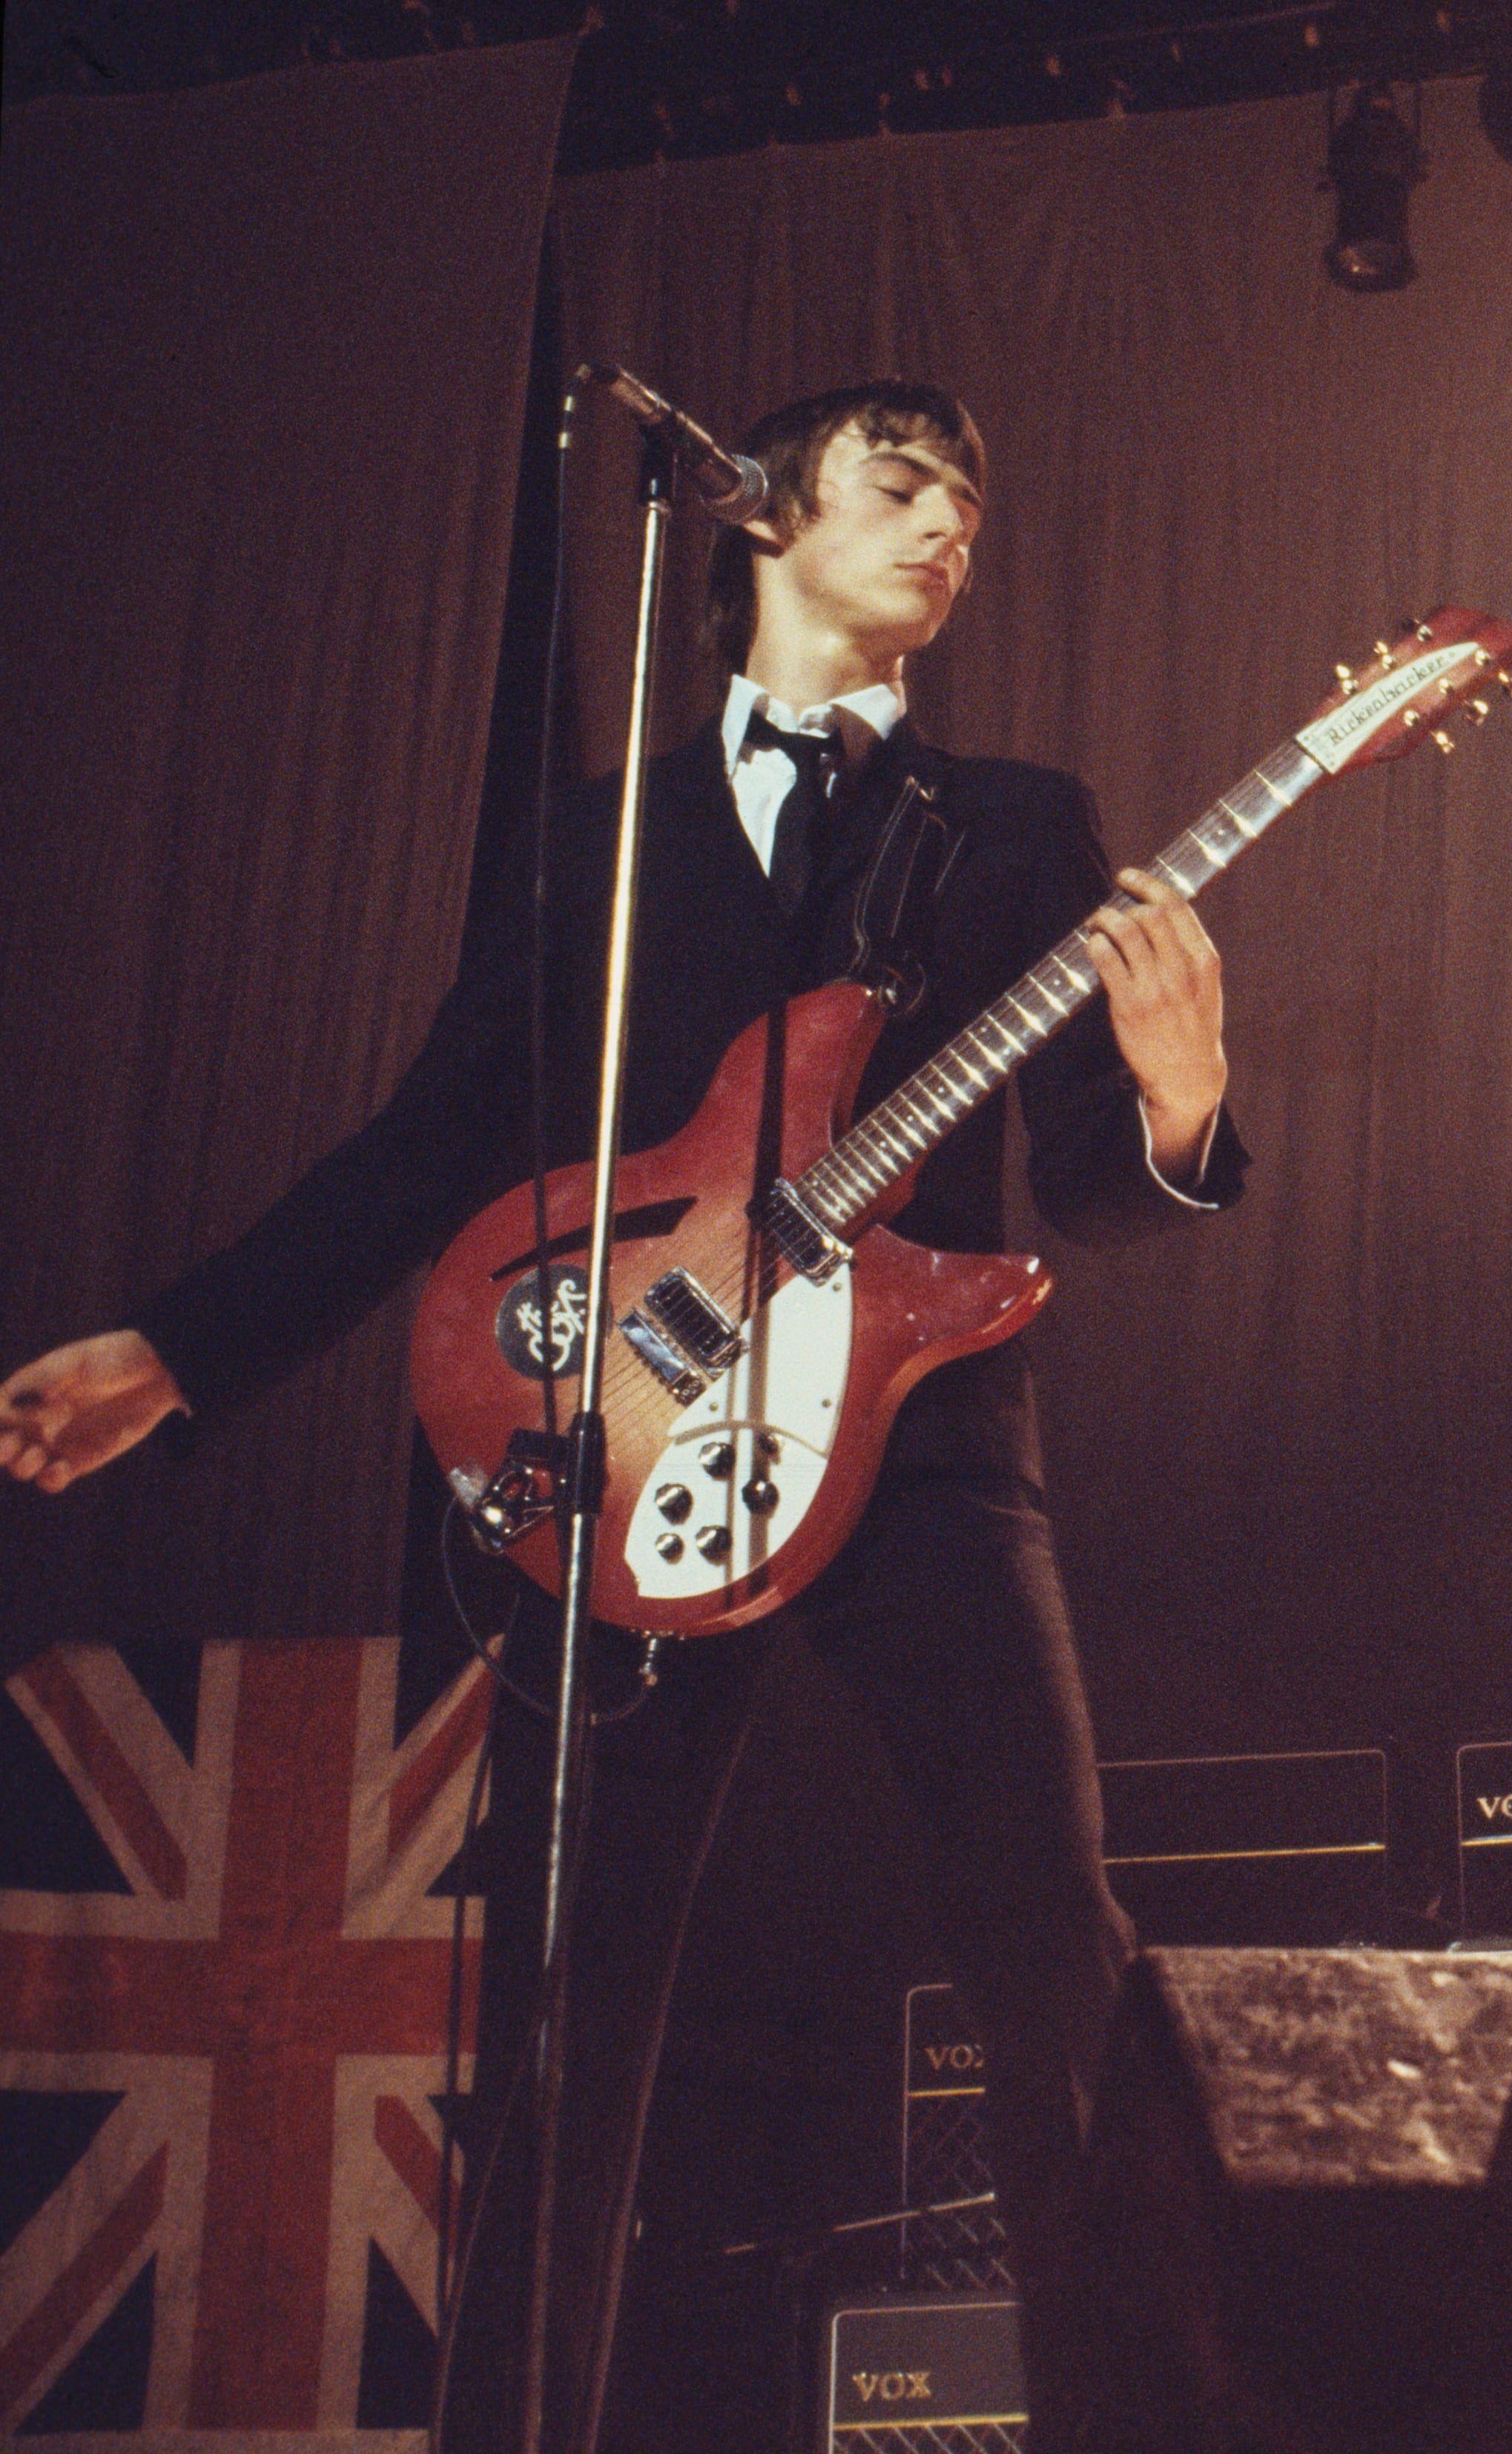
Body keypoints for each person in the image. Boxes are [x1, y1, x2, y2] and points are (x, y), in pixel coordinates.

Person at [0, 380, 1230, 2449]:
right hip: (633, 1452)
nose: (952, 524)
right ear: (758, 515)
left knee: (1058, 1964)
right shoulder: (604, 839)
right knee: (564, 2035)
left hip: (926, 1456)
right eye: (904, 479)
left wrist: (1180, 1105)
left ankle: (1159, 2421)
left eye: (973, 503)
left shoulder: (1017, 821)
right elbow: (429, 1153)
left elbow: (1092, 1172)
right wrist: (184, 1347)